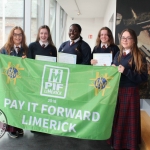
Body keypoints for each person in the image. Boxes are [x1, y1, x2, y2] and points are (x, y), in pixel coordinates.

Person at [108, 29, 148, 150]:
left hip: (130, 92)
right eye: (123, 37)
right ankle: (117, 143)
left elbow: (143, 77)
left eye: (128, 38)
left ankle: (128, 145)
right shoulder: (118, 54)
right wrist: (112, 68)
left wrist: (126, 71)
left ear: (134, 40)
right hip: (117, 91)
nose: (124, 40)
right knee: (118, 118)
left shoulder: (139, 56)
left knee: (127, 120)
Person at [0, 26, 28, 138]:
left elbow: (31, 67)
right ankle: (11, 128)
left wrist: (27, 62)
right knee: (10, 105)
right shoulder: (4, 49)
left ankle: (19, 126)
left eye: (20, 34)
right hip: (9, 84)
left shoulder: (26, 49)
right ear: (12, 36)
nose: (18, 37)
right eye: (15, 34)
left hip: (22, 84)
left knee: (20, 105)